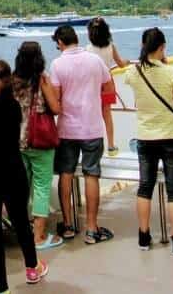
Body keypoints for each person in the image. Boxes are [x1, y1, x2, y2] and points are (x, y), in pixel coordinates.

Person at [124, 28, 173, 257]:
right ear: (162, 47)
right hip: (170, 136)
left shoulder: (133, 72)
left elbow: (131, 79)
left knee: (145, 186)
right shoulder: (168, 72)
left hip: (145, 137)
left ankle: (144, 236)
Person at [0, 59, 49, 293]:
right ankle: (32, 268)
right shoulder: (13, 107)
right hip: (13, 169)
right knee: (20, 222)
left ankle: (1, 287)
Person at [49, 24, 115, 244]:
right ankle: (91, 228)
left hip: (67, 128)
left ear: (60, 42)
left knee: (65, 174)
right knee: (91, 174)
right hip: (92, 128)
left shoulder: (57, 64)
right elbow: (109, 88)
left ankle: (68, 225)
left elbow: (56, 98)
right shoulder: (94, 60)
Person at [11, 41, 63, 249]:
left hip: (17, 141)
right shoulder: (42, 80)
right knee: (41, 187)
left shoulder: (12, 82)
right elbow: (56, 108)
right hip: (40, 141)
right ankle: (39, 237)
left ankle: (21, 231)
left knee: (21, 187)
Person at [86, 17, 130, 156]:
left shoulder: (88, 49)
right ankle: (111, 145)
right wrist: (127, 61)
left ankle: (93, 145)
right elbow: (121, 63)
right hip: (108, 83)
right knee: (107, 115)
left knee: (92, 115)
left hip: (93, 83)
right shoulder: (111, 46)